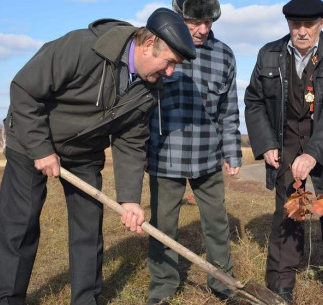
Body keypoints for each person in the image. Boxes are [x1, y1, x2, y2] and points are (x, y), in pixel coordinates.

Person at [0, 8, 196, 305]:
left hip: (84, 152)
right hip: (30, 139)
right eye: (170, 62)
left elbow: (131, 141)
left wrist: (130, 199)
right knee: (19, 227)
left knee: (88, 230)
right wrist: (41, 148)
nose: (171, 72)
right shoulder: (83, 47)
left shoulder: (150, 89)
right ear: (149, 45)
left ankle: (87, 300)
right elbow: (24, 89)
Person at [244, 0, 323, 301]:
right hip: (285, 140)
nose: (302, 32)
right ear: (288, 24)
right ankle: (280, 286)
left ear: (322, 23)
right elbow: (253, 101)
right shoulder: (268, 54)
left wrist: (314, 153)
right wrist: (267, 143)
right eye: (295, 25)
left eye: (309, 25)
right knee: (288, 211)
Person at [144, 0, 242, 303]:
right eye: (194, 22)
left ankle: (222, 281)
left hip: (207, 157)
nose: (202, 30)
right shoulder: (157, 48)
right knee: (162, 226)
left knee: (216, 223)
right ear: (179, 15)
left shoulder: (224, 55)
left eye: (208, 23)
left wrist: (232, 153)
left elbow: (228, 111)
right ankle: (162, 286)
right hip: (164, 157)